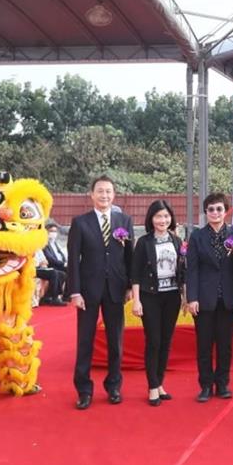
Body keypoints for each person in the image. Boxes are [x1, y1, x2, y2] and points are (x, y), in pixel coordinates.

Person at [69, 175, 135, 410]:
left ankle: (114, 386)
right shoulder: (80, 223)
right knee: (85, 341)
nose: (104, 195)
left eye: (108, 191)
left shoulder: (124, 221)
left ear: (113, 195)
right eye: (100, 191)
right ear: (92, 195)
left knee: (115, 341)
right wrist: (75, 292)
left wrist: (130, 286)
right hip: (88, 291)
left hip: (116, 289)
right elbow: (73, 260)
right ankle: (84, 390)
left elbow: (130, 257)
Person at [187, 193, 233, 401]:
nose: (215, 213)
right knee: (204, 345)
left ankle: (222, 384)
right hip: (204, 299)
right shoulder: (197, 237)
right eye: (211, 209)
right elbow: (192, 269)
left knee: (225, 345)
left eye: (219, 209)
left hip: (228, 297)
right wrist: (192, 297)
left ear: (226, 211)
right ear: (206, 212)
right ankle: (205, 386)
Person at [131, 200, 184, 406]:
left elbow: (182, 271)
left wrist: (185, 297)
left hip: (172, 296)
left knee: (166, 341)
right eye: (158, 216)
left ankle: (160, 383)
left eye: (166, 216)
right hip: (150, 296)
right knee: (153, 341)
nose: (163, 220)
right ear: (151, 219)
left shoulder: (177, 240)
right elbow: (135, 273)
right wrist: (136, 301)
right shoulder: (144, 242)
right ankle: (152, 386)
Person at [37, 223, 68, 306]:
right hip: (36, 268)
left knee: (63, 274)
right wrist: (63, 264)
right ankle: (55, 298)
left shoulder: (55, 243)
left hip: (44, 266)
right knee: (55, 273)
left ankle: (49, 296)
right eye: (51, 231)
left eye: (55, 231)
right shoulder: (43, 244)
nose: (54, 233)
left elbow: (44, 258)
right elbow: (50, 258)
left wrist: (65, 262)